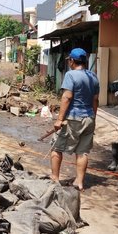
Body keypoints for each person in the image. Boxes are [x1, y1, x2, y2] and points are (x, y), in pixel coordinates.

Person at [50, 48, 99, 191]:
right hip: (89, 117)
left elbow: (67, 97)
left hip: (73, 118)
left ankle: (55, 178)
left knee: (56, 147)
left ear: (72, 61)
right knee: (82, 151)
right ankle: (79, 181)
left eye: (69, 60)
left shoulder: (70, 75)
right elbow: (95, 99)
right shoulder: (93, 76)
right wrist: (93, 117)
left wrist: (59, 119)